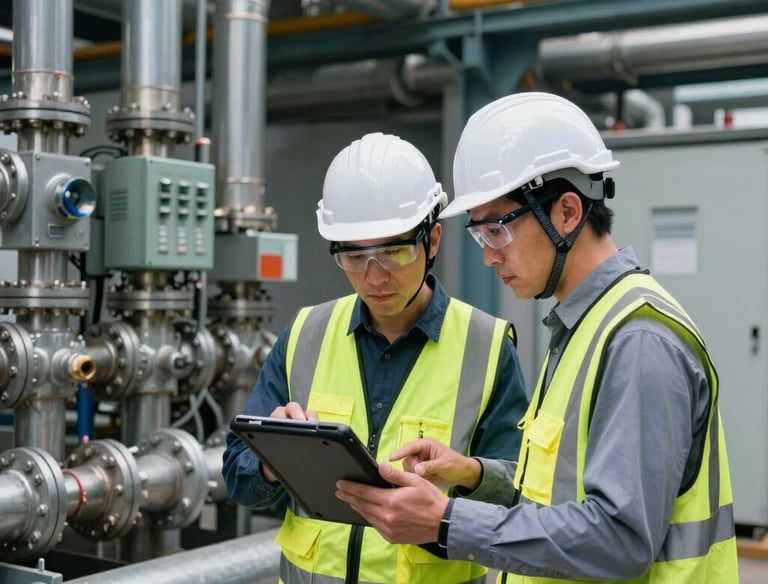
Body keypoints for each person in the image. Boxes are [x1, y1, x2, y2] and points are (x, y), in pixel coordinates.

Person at [335, 93, 738, 583]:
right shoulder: (583, 326)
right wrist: (474, 475)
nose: (488, 257)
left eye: (496, 233)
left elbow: (620, 540)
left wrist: (445, 521)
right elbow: (557, 496)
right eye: (479, 238)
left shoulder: (637, 341)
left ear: (567, 211)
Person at [222, 132, 529, 584]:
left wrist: (469, 472)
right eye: (354, 255)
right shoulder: (306, 335)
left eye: (394, 250)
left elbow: (522, 490)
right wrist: (273, 461)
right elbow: (238, 476)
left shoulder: (485, 346)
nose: (374, 276)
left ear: (434, 239)